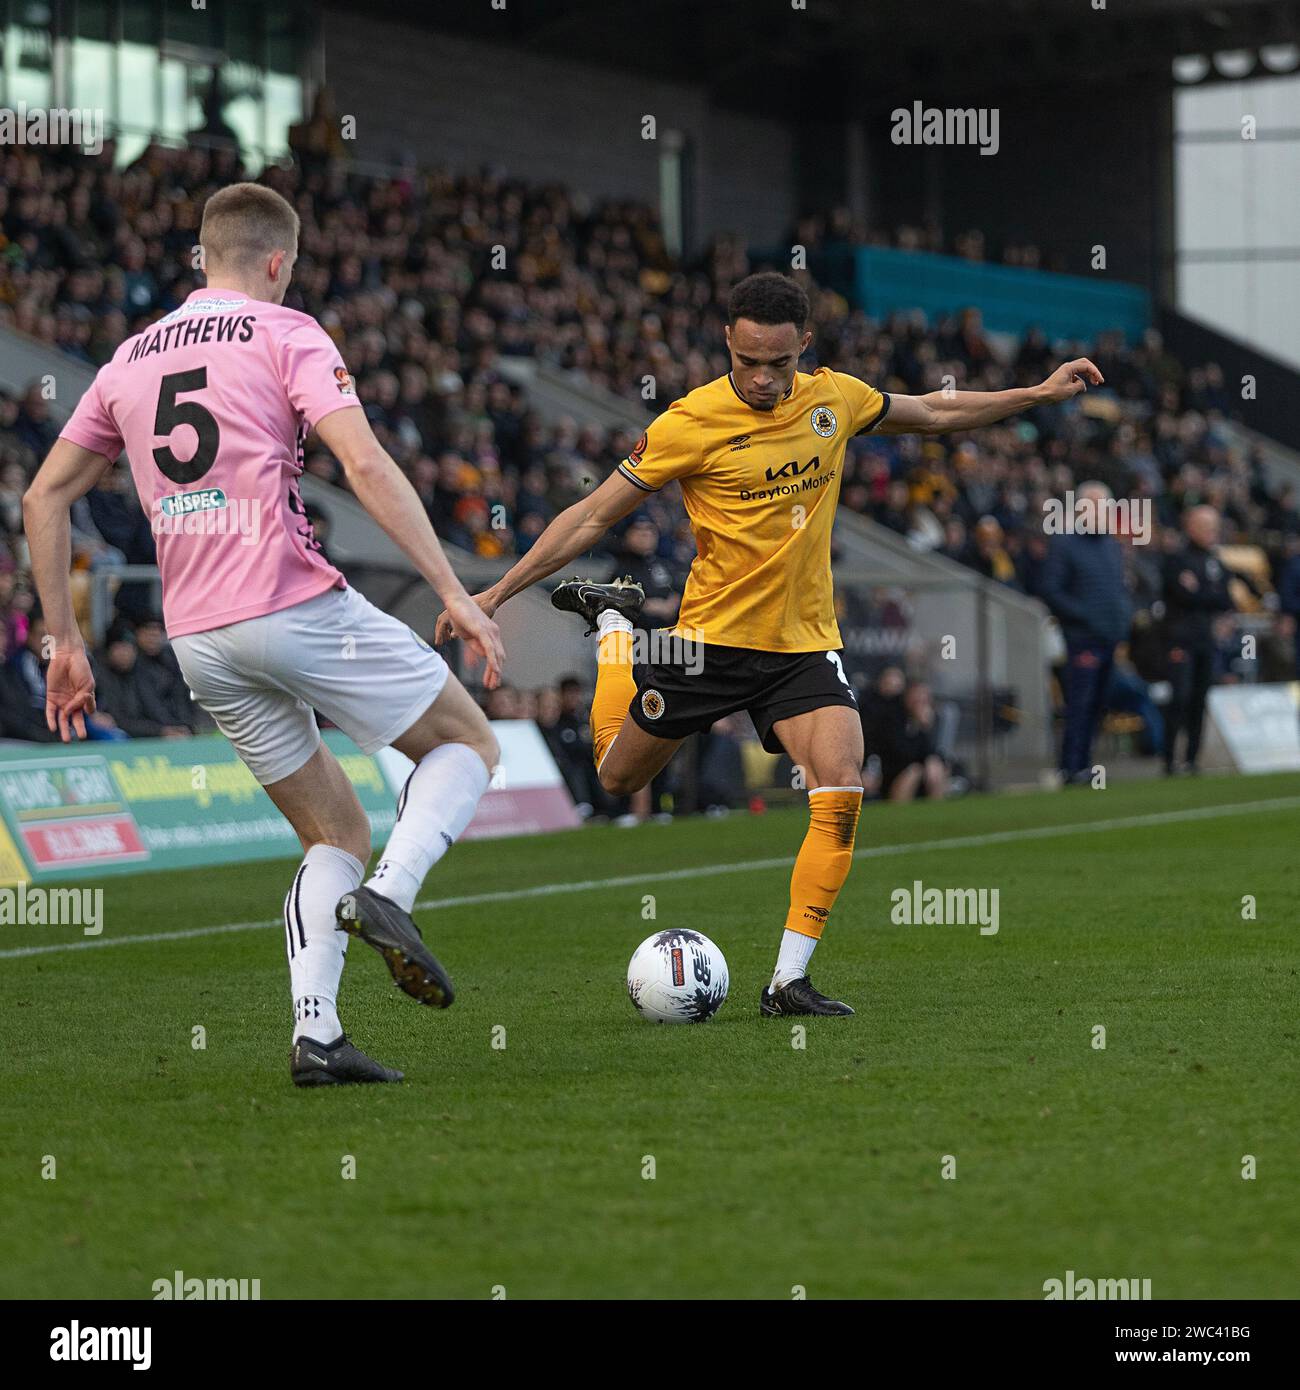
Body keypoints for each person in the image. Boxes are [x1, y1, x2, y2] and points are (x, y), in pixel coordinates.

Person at [437, 271, 1103, 1017]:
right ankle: (618, 634)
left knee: (842, 780)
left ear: (803, 348)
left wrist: (1036, 395)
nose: (760, 377)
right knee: (618, 778)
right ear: (728, 340)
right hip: (706, 647)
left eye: (777, 364)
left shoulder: (836, 399)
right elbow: (592, 518)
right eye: (747, 360)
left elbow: (937, 413)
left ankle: (787, 979)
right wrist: (493, 591)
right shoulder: (689, 423)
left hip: (801, 648)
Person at [25, 182, 504, 1087]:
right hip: (291, 602)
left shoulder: (127, 359)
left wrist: (66, 644)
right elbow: (364, 461)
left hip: (200, 636)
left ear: (202, 257)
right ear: (280, 263)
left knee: (333, 830)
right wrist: (454, 588)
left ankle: (317, 1036)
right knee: (467, 743)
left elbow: (43, 495)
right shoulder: (287, 333)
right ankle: (391, 901)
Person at [1038, 481, 1134, 782]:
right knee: (1080, 703)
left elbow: (1117, 588)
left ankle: (1085, 763)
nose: (1099, 512)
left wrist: (1121, 619)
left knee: (1099, 702)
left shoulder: (1110, 545)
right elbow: (1051, 590)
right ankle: (1071, 765)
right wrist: (1085, 617)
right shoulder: (1064, 543)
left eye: (1104, 507)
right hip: (1082, 639)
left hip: (1109, 637)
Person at [1161, 505, 1235, 775]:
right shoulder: (1177, 558)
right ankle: (1169, 760)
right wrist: (1206, 594)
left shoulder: (1215, 560)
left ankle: (1192, 759)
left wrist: (1200, 591)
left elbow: (1225, 598)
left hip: (1206, 639)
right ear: (1190, 527)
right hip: (1180, 639)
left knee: (1200, 699)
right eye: (1205, 526)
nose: (1211, 532)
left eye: (1214, 527)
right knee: (1179, 696)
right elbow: (1182, 595)